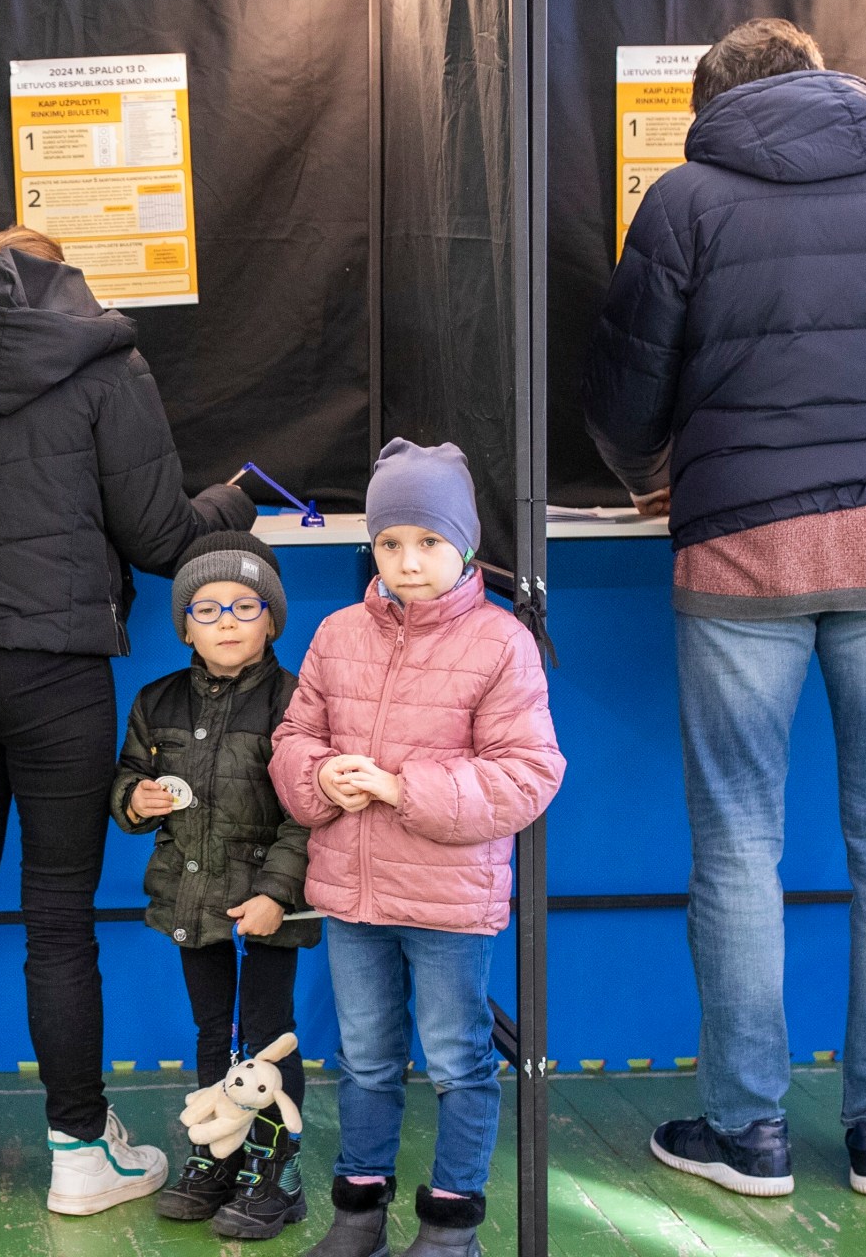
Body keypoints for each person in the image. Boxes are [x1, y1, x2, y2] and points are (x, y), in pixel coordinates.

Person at [582, 19, 866, 1200]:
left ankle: (750, 1135)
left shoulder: (682, 201)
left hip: (737, 550)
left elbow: (625, 390)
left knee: (738, 840)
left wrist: (648, 478)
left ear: (710, 102)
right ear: (827, 73)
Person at [0, 224, 254, 1216]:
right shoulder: (106, 366)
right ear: (61, 281)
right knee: (57, 925)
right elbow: (162, 537)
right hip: (55, 675)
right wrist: (227, 506)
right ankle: (81, 1151)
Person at [270, 438, 565, 1257]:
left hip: (447, 904)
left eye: (429, 542)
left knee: (457, 1063)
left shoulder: (500, 643)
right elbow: (293, 739)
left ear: (466, 544)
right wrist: (324, 776)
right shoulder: (336, 634)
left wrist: (403, 788)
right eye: (391, 542)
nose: (408, 561)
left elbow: (529, 775)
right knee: (364, 1061)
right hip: (352, 899)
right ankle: (359, 1216)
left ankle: (449, 1229)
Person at [111, 530, 316, 1241]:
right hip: (190, 898)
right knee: (212, 1034)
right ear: (185, 626)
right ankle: (215, 1155)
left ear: (272, 618)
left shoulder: (297, 702)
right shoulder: (155, 699)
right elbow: (126, 779)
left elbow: (308, 812)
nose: (226, 621)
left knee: (267, 1037)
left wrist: (277, 896)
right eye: (206, 609)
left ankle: (276, 1172)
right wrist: (135, 800)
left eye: (244, 605)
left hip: (268, 901)